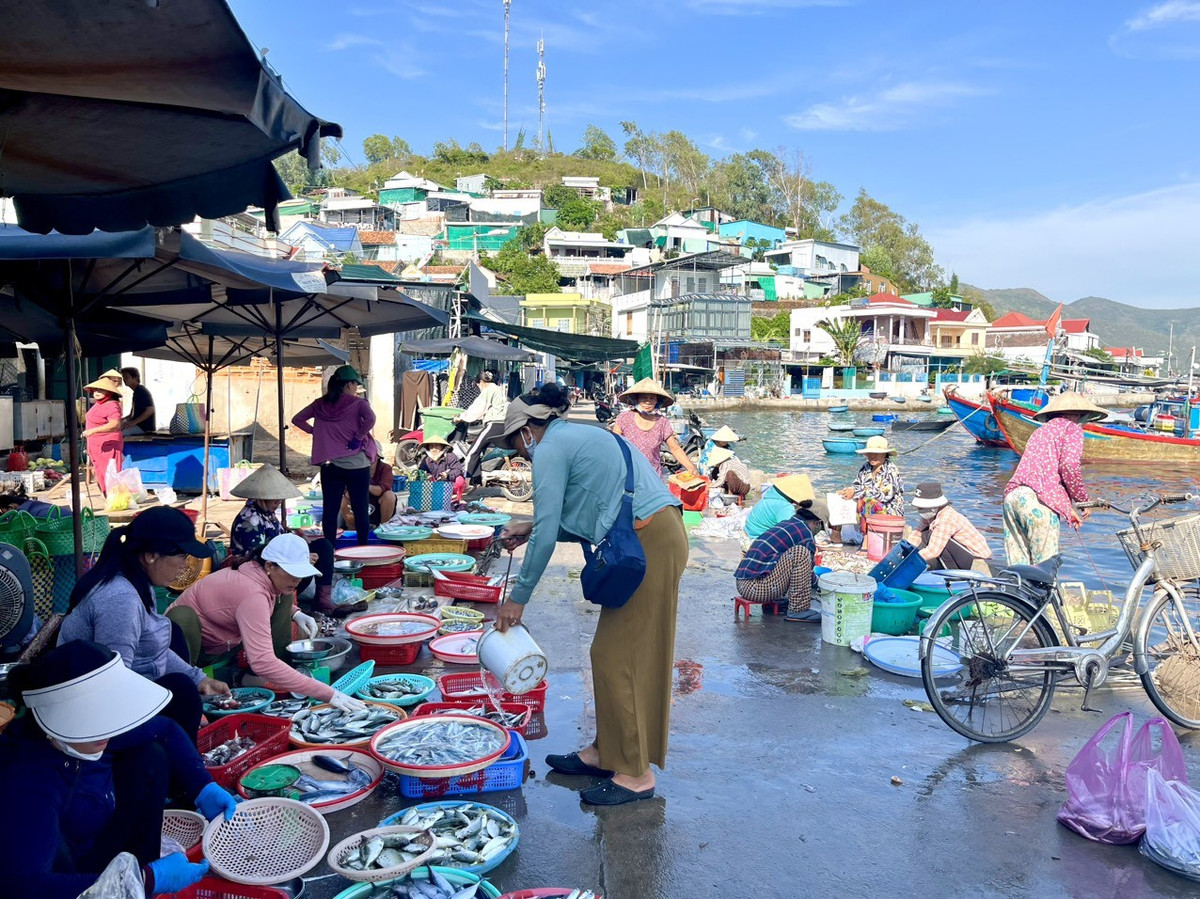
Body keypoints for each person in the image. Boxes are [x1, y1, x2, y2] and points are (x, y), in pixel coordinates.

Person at [493, 385, 686, 806]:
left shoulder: (549, 448)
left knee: (622, 657)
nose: (520, 454)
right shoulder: (576, 436)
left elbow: (546, 532)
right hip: (650, 534)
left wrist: (517, 599)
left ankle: (635, 773)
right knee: (612, 652)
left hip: (649, 540)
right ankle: (604, 752)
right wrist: (530, 528)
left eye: (515, 444)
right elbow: (582, 512)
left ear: (528, 430)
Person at [0, 641, 238, 898]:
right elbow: (23, 886)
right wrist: (145, 880)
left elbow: (165, 729)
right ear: (59, 719)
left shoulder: (95, 735)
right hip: (64, 883)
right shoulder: (27, 781)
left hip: (100, 841)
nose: (107, 730)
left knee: (149, 756)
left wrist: (203, 786)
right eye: (93, 720)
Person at [58, 506, 228, 742]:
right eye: (181, 556)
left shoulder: (137, 579)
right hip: (88, 711)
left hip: (113, 688)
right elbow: (115, 682)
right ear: (151, 556)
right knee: (181, 691)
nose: (184, 565)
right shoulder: (120, 598)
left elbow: (152, 646)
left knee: (173, 636)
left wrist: (199, 679)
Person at [171, 535, 366, 710]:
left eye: (300, 573)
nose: (297, 579)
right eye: (291, 573)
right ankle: (190, 693)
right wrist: (328, 693)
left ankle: (269, 674)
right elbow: (262, 659)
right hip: (193, 650)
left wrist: (296, 613)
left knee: (286, 595)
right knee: (182, 618)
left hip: (227, 639)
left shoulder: (259, 573)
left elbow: (262, 602)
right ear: (269, 566)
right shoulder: (252, 594)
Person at [1002, 393, 1104, 566]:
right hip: (1037, 503)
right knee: (1044, 568)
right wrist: (1082, 500)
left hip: (1012, 498)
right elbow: (1069, 466)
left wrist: (1067, 508)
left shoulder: (1040, 431)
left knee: (1019, 567)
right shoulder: (1072, 429)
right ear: (1078, 415)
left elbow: (1043, 476)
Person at [228, 463, 336, 613]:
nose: (277, 504)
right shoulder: (250, 520)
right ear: (262, 498)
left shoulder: (266, 513)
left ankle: (322, 602)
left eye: (279, 501)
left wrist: (300, 542)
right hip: (261, 569)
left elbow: (280, 540)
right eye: (275, 501)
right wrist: (300, 559)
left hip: (279, 560)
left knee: (324, 546)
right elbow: (258, 557)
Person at [292, 365, 377, 546]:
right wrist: (359, 436)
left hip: (330, 465)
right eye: (355, 385)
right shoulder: (358, 404)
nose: (356, 389)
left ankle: (329, 550)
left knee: (330, 510)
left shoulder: (320, 404)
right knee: (360, 509)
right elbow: (371, 419)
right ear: (349, 384)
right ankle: (363, 549)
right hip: (356, 465)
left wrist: (315, 431)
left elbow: (297, 419)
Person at [736, 513, 819, 622]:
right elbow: (808, 570)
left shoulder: (787, 524)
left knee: (789, 557)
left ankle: (776, 603)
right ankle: (798, 610)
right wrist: (820, 584)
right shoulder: (805, 532)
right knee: (801, 553)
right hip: (755, 589)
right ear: (816, 523)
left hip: (742, 584)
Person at [611, 377, 699, 479]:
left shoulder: (662, 422)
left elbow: (675, 448)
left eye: (652, 398)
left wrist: (690, 467)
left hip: (653, 476)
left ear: (657, 401)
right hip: (628, 473)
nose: (648, 401)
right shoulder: (624, 418)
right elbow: (615, 444)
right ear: (637, 399)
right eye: (644, 397)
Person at [910, 481, 994, 571]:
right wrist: (907, 551)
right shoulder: (930, 515)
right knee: (925, 534)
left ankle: (954, 573)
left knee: (938, 541)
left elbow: (933, 551)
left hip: (977, 559)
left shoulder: (946, 518)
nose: (919, 510)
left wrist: (910, 561)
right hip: (962, 554)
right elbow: (918, 533)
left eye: (921, 507)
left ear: (933, 506)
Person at [840, 435, 903, 544]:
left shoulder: (891, 470)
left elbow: (884, 495)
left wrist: (856, 493)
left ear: (884, 454)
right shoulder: (866, 467)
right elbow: (857, 485)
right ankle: (836, 537)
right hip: (866, 506)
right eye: (870, 453)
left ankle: (866, 541)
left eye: (876, 454)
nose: (872, 456)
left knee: (869, 502)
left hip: (889, 510)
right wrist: (848, 491)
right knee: (840, 498)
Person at [454, 370, 508, 479]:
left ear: (482, 382)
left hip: (494, 424)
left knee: (472, 452)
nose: (479, 387)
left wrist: (461, 417)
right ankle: (477, 479)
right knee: (480, 451)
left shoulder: (488, 390)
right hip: (502, 423)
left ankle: (466, 480)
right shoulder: (498, 389)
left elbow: (477, 408)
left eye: (478, 384)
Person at [745, 473, 828, 541]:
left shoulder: (771, 497)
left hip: (749, 533)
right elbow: (791, 531)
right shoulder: (784, 507)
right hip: (758, 539)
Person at [80, 369, 124, 495]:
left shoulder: (112, 405)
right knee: (101, 476)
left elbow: (115, 424)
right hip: (97, 447)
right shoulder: (99, 404)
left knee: (110, 477)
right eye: (95, 390)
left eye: (101, 390)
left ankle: (115, 502)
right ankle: (111, 501)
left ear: (109, 392)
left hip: (108, 446)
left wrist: (93, 431)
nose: (97, 392)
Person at [342, 444, 396, 531]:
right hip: (358, 505)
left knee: (389, 496)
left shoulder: (385, 468)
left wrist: (363, 485)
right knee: (344, 500)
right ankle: (353, 529)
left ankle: (383, 527)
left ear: (378, 456)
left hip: (378, 506)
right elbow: (347, 493)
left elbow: (380, 490)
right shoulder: (353, 468)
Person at [120, 367, 156, 435]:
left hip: (144, 428)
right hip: (137, 425)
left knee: (119, 434)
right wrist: (122, 420)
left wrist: (134, 422)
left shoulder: (141, 391)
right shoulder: (136, 392)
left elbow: (150, 410)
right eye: (123, 377)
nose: (124, 380)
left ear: (135, 378)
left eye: (127, 377)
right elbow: (132, 415)